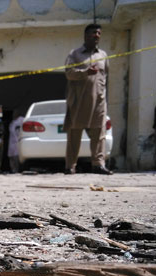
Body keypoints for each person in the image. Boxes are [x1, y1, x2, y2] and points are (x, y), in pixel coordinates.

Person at [64, 23, 112, 175]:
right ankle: (70, 166)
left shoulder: (103, 55)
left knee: (99, 133)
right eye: (93, 32)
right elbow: (69, 73)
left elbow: (106, 76)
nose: (97, 35)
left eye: (99, 33)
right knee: (74, 134)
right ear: (86, 35)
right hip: (79, 101)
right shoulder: (75, 54)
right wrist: (85, 72)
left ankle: (98, 164)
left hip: (99, 101)